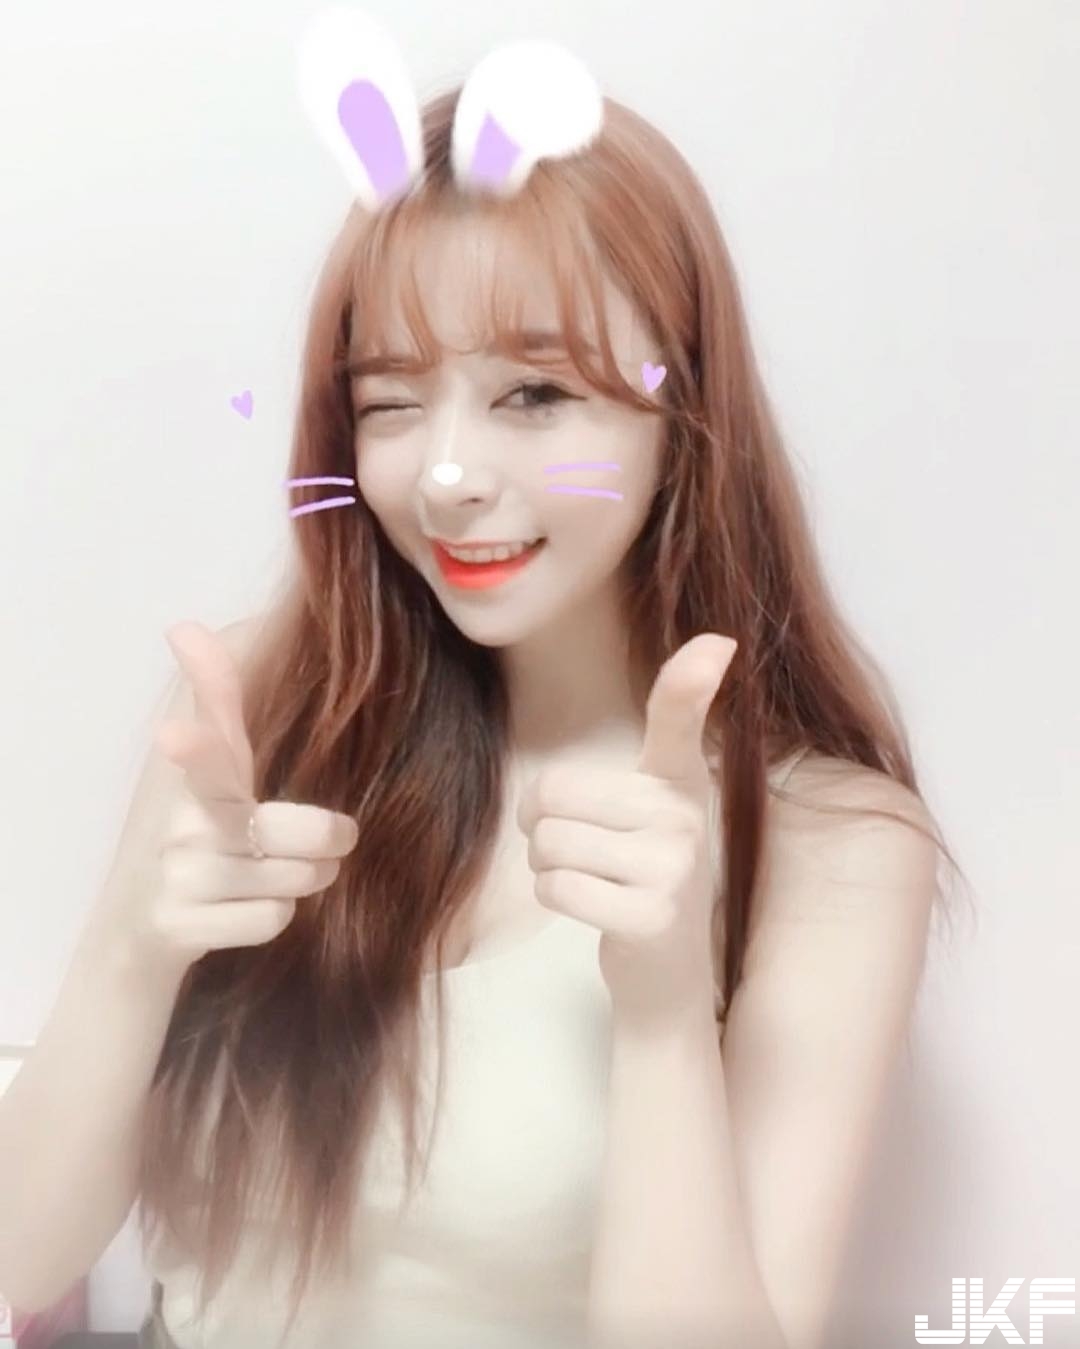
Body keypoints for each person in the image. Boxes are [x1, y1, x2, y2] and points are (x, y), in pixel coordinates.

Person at [0, 31, 967, 1349]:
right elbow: (26, 1248)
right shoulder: (258, 709)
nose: (447, 477)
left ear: (683, 412)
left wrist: (663, 1012)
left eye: (533, 394)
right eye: (392, 403)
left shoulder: (829, 842)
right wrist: (133, 948)